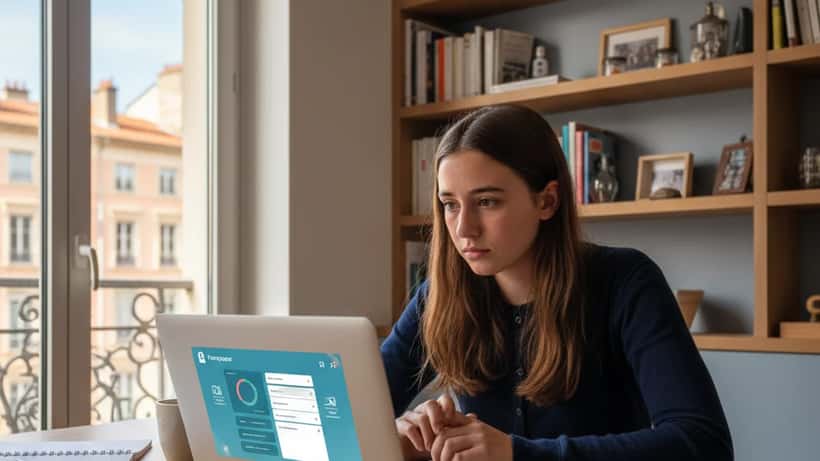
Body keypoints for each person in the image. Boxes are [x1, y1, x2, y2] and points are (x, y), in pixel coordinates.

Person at [380, 104, 733, 461]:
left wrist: (516, 454)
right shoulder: (439, 297)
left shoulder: (625, 282)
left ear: (547, 201)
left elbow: (703, 443)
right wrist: (395, 432)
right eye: (450, 204)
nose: (463, 229)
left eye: (487, 202)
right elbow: (348, 413)